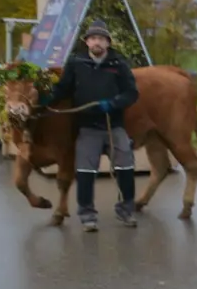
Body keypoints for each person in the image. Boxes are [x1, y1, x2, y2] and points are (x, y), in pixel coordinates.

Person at [44, 23, 140, 231]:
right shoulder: (76, 63)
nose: (97, 42)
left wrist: (114, 103)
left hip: (114, 126)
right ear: (86, 42)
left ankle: (126, 210)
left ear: (108, 43)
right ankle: (87, 215)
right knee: (85, 172)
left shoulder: (119, 64)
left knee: (125, 166)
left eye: (101, 39)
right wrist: (45, 100)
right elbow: (62, 89)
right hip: (87, 128)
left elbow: (132, 93)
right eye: (93, 38)